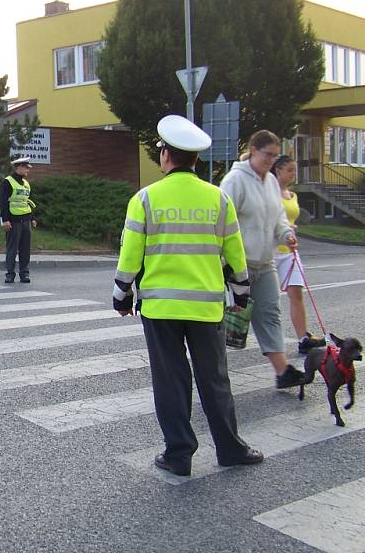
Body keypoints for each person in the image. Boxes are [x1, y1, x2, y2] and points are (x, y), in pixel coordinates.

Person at [113, 114, 263, 477]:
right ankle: (230, 448)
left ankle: (179, 454)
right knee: (214, 379)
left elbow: (131, 252)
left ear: (165, 156)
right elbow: (235, 252)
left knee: (171, 380)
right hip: (206, 307)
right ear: (195, 159)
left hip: (161, 307)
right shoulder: (218, 199)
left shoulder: (145, 198)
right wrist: (241, 290)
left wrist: (122, 292)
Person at [220, 131, 305, 389]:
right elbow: (221, 219)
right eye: (267, 154)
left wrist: (286, 234)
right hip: (238, 265)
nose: (271, 160)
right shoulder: (235, 180)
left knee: (270, 314)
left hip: (265, 263)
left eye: (274, 155)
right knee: (228, 324)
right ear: (253, 150)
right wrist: (225, 263)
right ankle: (211, 373)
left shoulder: (270, 182)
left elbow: (278, 216)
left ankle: (282, 373)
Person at [270, 155, 326, 353]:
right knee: (256, 298)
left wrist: (292, 231)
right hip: (269, 252)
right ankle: (233, 331)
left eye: (295, 170)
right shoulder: (267, 192)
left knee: (296, 292)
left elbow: (291, 220)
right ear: (277, 170)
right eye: (290, 170)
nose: (294, 174)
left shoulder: (292, 196)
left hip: (289, 252)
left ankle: (303, 338)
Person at [0, 156, 37, 284]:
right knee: (12, 249)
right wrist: (5, 220)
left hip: (26, 220)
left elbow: (28, 202)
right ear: (18, 167)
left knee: (25, 249)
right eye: (26, 167)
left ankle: (24, 274)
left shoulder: (26, 183)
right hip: (13, 221)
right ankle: (10, 274)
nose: (28, 170)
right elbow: (3, 202)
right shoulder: (8, 182)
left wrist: (33, 218)